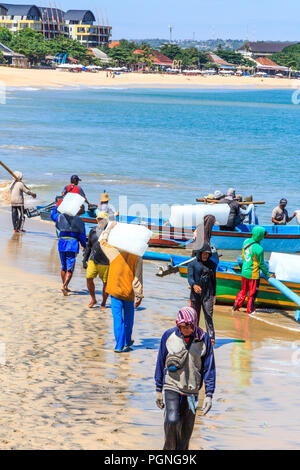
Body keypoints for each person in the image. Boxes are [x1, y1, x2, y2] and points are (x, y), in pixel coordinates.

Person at [155, 307, 216, 450]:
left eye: (188, 326)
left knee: (186, 433)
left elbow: (209, 368)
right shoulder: (168, 336)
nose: (185, 329)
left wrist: (209, 395)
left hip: (192, 391)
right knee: (172, 420)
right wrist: (158, 389)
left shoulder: (204, 339)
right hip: (172, 385)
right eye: (181, 326)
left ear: (194, 324)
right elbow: (160, 361)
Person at [100, 221, 143, 353]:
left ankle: (119, 345)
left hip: (115, 291)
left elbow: (102, 241)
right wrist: (139, 294)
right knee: (129, 320)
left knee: (118, 319)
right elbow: (138, 278)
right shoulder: (137, 256)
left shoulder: (113, 252)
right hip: (129, 292)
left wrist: (109, 228)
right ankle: (127, 341)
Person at [232, 226, 275, 314]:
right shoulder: (259, 249)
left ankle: (235, 307)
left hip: (244, 272)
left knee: (243, 291)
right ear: (259, 235)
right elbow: (261, 264)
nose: (263, 237)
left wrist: (245, 267)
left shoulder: (246, 242)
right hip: (253, 275)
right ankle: (250, 311)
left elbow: (243, 256)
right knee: (251, 293)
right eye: (263, 235)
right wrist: (268, 274)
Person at [51, 204, 86, 295]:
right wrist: (84, 246)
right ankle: (64, 286)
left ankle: (65, 286)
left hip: (62, 243)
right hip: (72, 245)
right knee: (70, 268)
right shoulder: (80, 221)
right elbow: (82, 236)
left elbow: (52, 215)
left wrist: (56, 206)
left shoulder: (60, 217)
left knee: (64, 267)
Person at [188, 243, 217, 344]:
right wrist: (194, 285)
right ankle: (194, 335)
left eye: (207, 254)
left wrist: (214, 295)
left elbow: (214, 280)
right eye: (203, 254)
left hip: (208, 294)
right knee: (195, 316)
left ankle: (211, 336)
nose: (205, 256)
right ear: (199, 253)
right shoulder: (192, 264)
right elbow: (190, 278)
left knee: (208, 315)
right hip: (195, 294)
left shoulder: (212, 265)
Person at [83, 211, 110, 309]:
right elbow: (89, 246)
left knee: (106, 283)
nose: (100, 221)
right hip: (93, 259)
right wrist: (84, 259)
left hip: (106, 262)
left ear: (106, 220)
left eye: (102, 219)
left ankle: (103, 302)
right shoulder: (93, 230)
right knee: (89, 278)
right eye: (98, 219)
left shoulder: (111, 232)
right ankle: (93, 299)